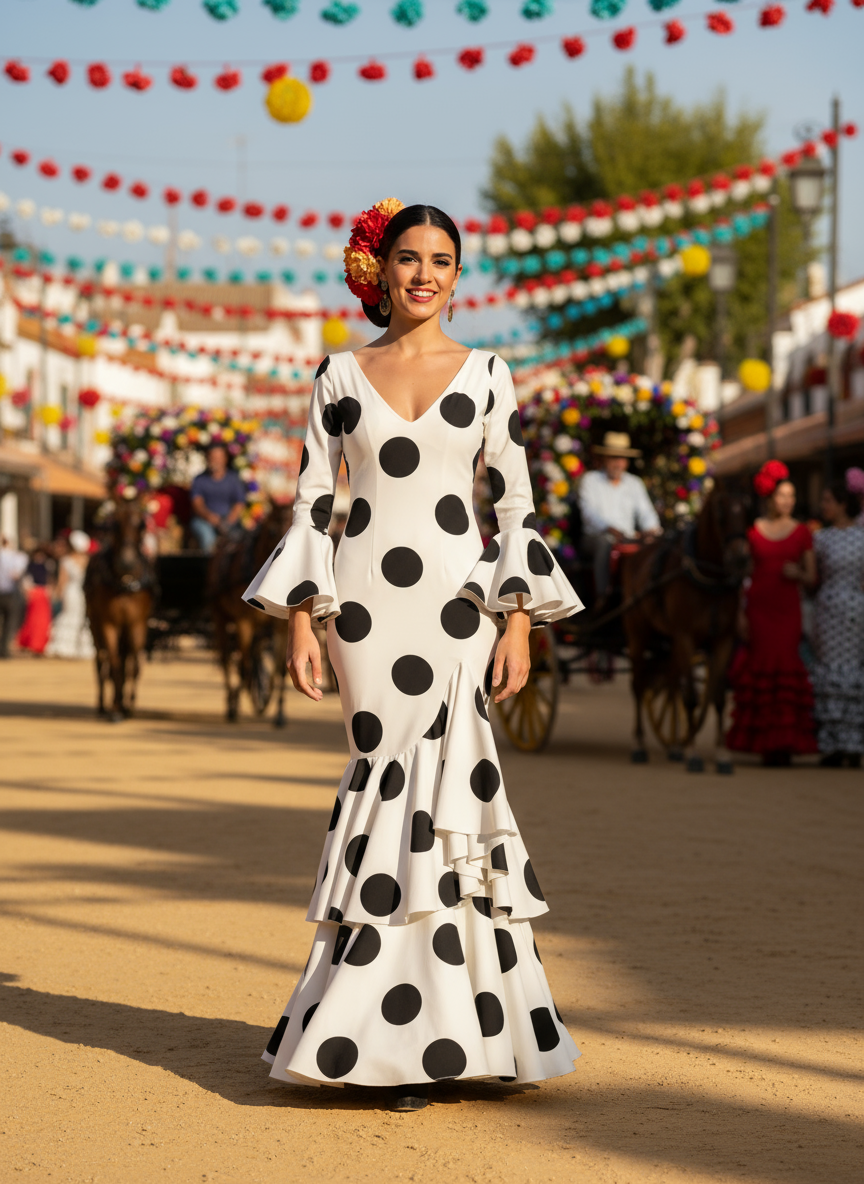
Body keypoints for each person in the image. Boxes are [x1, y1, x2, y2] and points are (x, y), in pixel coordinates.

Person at [243, 201, 583, 1110]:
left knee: (455, 787)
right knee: (386, 783)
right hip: (364, 610)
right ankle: (378, 1035)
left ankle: (464, 1034)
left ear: (457, 276)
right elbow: (315, 502)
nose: (424, 273)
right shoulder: (337, 374)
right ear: (377, 271)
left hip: (458, 606)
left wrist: (517, 619)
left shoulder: (490, 372)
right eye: (407, 258)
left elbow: (513, 507)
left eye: (441, 260)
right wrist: (299, 617)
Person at [727, 460, 817, 766]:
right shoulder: (753, 532)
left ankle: (785, 743)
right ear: (770, 498)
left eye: (792, 496)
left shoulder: (803, 532)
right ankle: (761, 743)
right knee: (761, 667)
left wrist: (799, 574)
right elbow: (743, 576)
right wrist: (740, 613)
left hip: (787, 609)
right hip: (758, 608)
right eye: (782, 495)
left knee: (786, 667)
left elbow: (812, 577)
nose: (788, 501)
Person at [811, 476, 864, 767]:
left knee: (852, 670)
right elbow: (811, 576)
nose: (823, 506)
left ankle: (853, 744)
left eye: (828, 500)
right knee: (829, 672)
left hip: (855, 610)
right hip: (828, 610)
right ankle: (832, 744)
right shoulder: (821, 538)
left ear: (843, 504)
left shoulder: (862, 536)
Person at [578, 431, 661, 600]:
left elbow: (646, 512)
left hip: (628, 538)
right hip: (596, 537)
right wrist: (608, 528)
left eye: (622, 458)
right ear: (604, 459)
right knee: (605, 542)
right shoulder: (590, 480)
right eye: (614, 457)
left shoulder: (634, 483)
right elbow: (589, 513)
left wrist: (652, 530)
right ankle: (603, 596)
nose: (618, 463)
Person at [47, 530, 96, 659]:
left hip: (71, 592)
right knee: (82, 618)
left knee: (68, 616)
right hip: (83, 592)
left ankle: (66, 648)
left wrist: (56, 595)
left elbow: (62, 582)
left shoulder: (66, 560)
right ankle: (82, 648)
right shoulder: (88, 560)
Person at [189, 444, 247, 553]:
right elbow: (197, 504)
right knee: (208, 539)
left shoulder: (233, 479)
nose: (215, 461)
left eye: (218, 457)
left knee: (239, 540)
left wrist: (230, 520)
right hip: (204, 520)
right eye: (212, 457)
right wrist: (210, 517)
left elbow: (239, 503)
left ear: (225, 459)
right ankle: (209, 567)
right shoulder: (199, 480)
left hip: (228, 520)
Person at [16, 544, 53, 655]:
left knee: (43, 621)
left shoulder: (46, 566)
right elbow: (26, 581)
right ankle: (31, 644)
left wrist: (49, 590)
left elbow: (49, 580)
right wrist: (29, 591)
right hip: (35, 594)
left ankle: (40, 644)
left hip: (43, 594)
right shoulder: (30, 566)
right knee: (32, 621)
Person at [0, 536, 28, 658]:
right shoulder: (16, 557)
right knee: (9, 623)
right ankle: (4, 650)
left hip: (7, 592)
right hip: (9, 593)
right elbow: (16, 575)